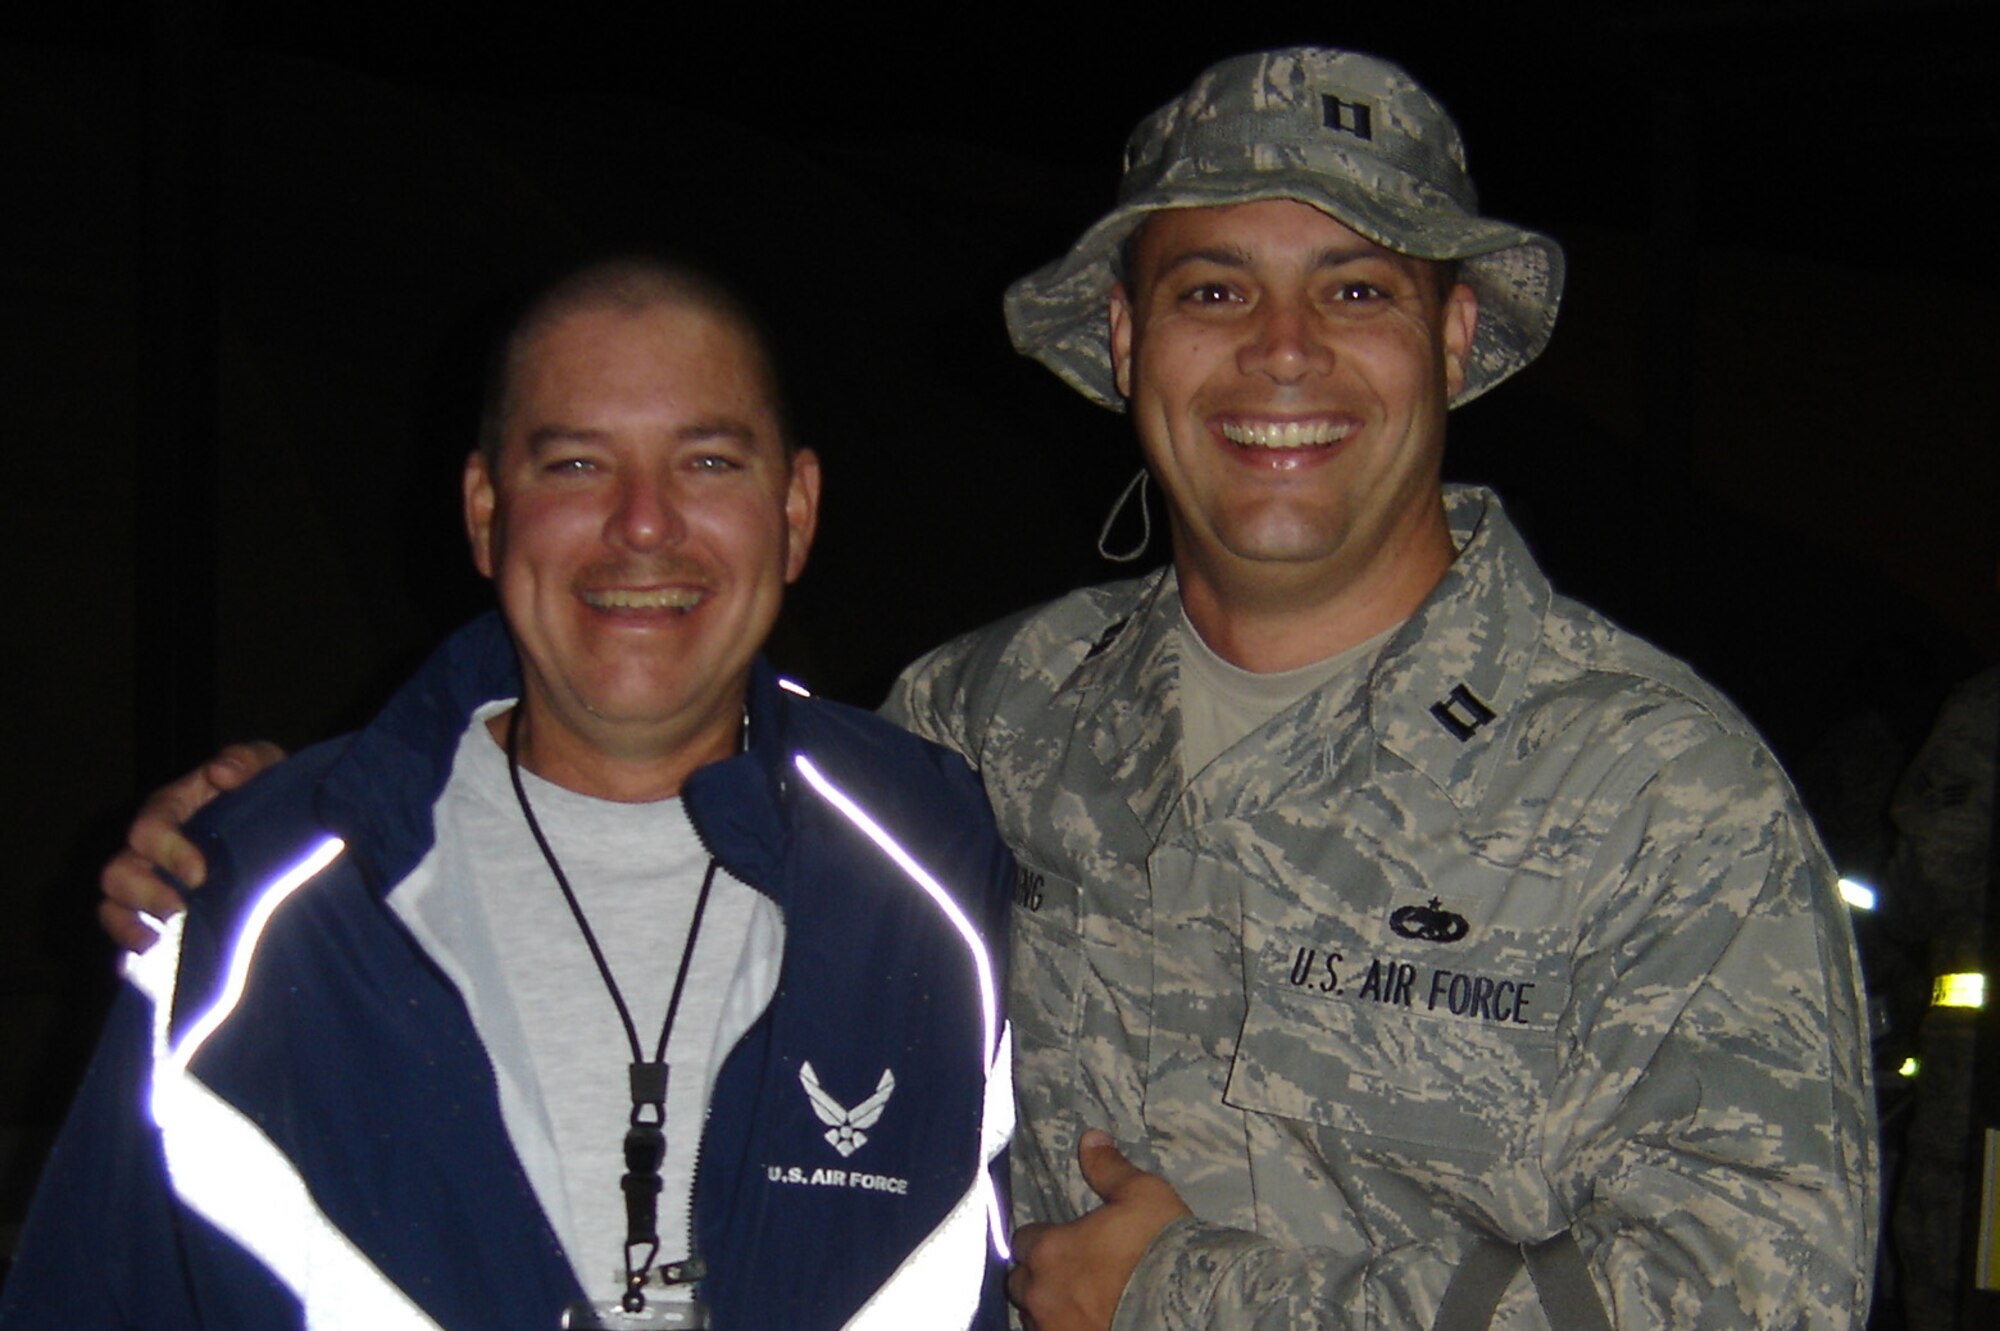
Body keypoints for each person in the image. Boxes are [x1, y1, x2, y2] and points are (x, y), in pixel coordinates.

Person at [94, 48, 1879, 1331]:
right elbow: (642, 715)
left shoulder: (1664, 788)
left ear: (1454, 341)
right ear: (1123, 345)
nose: (1280, 354)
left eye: (1354, 287)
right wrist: (294, 826)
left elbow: (1776, 1293)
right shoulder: (980, 723)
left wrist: (1202, 1299)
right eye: (1209, 289)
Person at [9, 258, 1014, 1331]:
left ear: (795, 509)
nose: (641, 523)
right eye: (577, 463)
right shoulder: (262, 902)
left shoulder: (938, 863)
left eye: (708, 460)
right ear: (487, 513)